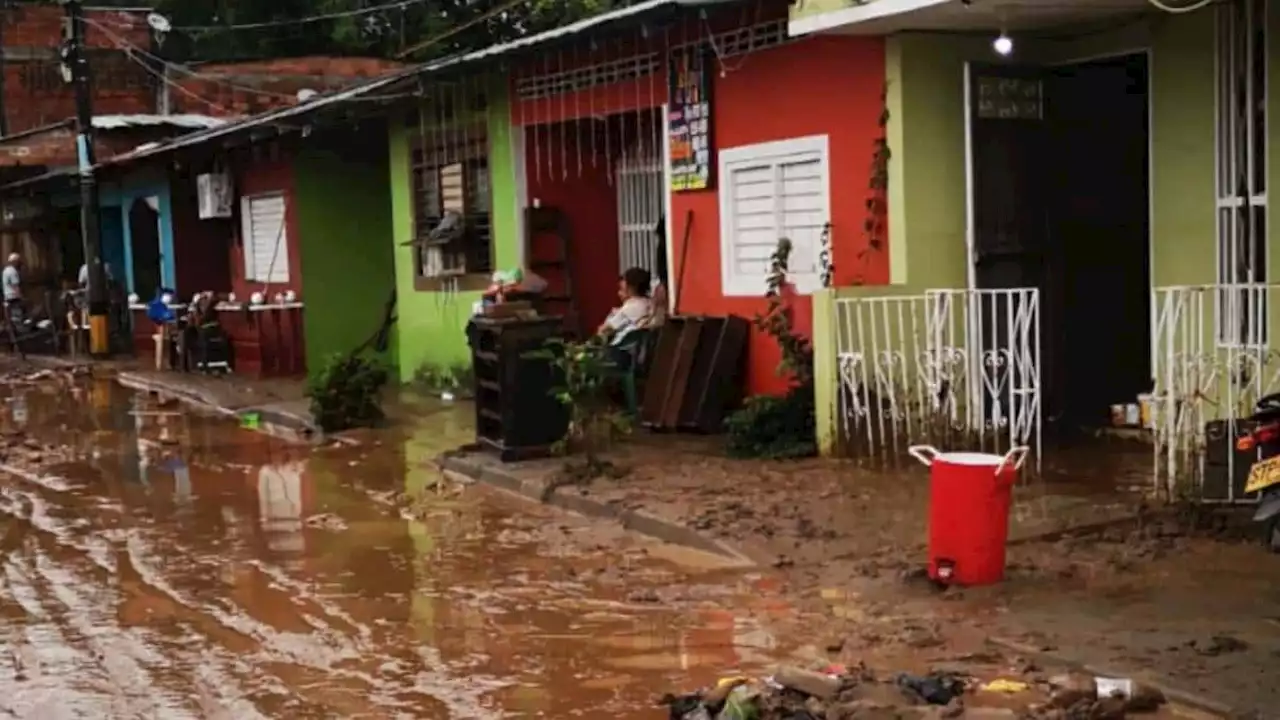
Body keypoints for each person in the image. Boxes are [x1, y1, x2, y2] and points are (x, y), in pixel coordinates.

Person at [598, 267, 654, 348]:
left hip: (622, 349)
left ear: (632, 287)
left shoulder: (631, 307)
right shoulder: (649, 302)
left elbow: (606, 329)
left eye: (624, 280)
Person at [3, 253, 22, 322]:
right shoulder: (13, 271)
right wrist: (19, 296)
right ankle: (19, 329)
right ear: (15, 262)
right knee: (17, 315)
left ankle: (13, 328)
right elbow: (15, 285)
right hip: (14, 296)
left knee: (10, 315)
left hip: (7, 296)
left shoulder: (5, 270)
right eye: (18, 261)